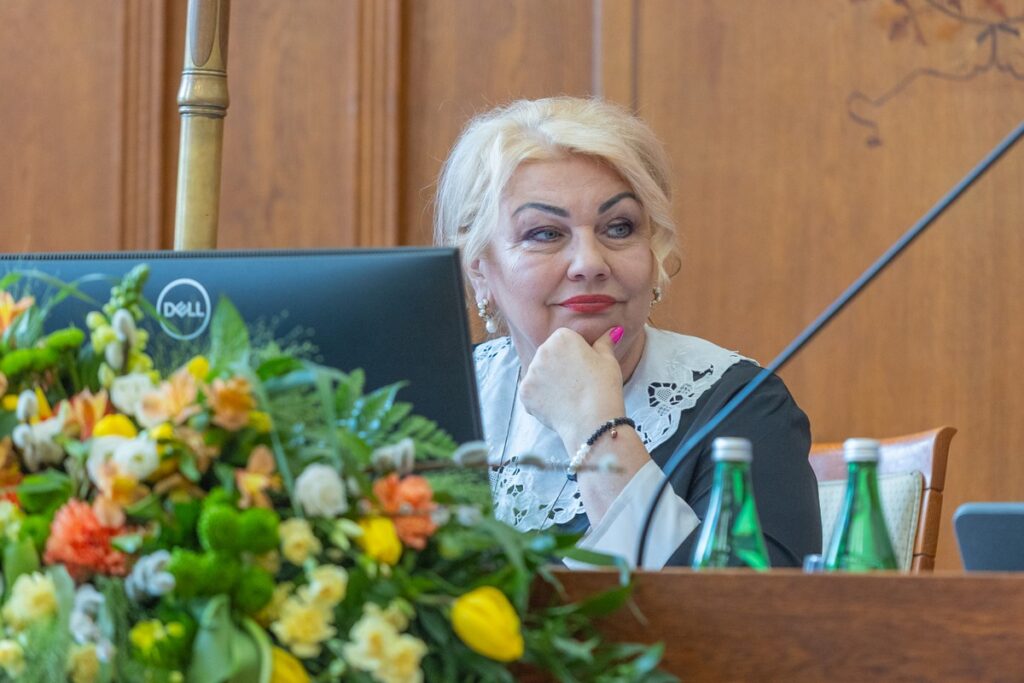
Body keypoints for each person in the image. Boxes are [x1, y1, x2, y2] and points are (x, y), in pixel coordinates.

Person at [434, 96, 820, 568]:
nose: (590, 263)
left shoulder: (742, 409)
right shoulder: (435, 402)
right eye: (545, 233)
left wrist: (594, 426)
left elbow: (753, 627)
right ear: (480, 270)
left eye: (619, 227)